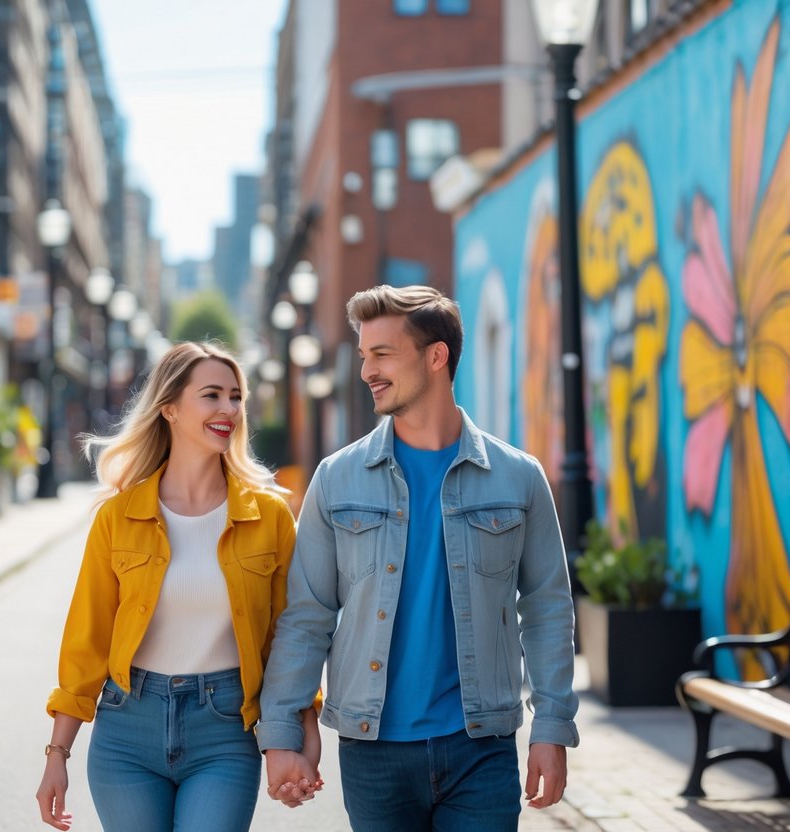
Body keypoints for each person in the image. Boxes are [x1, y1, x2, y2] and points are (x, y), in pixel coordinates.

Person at [256, 285, 579, 831]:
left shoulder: (518, 476)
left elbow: (547, 609)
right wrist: (283, 734)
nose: (367, 372)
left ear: (436, 357)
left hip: (480, 748)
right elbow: (306, 616)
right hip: (374, 751)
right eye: (364, 356)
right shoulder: (337, 478)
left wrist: (551, 725)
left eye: (382, 354)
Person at [35, 341, 321, 831]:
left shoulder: (269, 515)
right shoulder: (118, 517)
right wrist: (57, 754)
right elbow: (88, 639)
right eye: (211, 395)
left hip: (226, 731)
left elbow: (290, 636)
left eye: (235, 397)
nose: (228, 409)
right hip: (127, 730)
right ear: (169, 408)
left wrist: (302, 731)